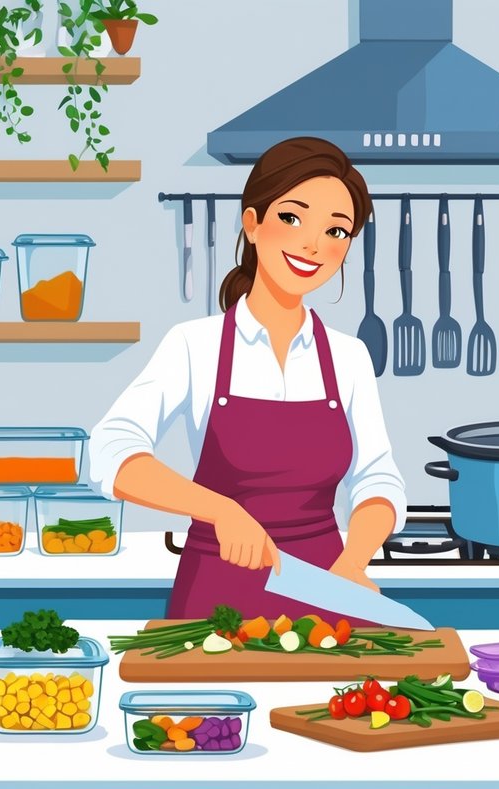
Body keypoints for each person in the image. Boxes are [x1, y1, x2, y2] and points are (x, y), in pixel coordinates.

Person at [88, 136, 405, 620]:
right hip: (216, 603)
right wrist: (221, 510)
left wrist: (352, 562)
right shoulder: (194, 345)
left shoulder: (349, 357)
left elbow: (377, 478)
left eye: (336, 231)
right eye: (292, 218)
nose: (313, 245)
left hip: (325, 597)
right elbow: (111, 451)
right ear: (252, 223)